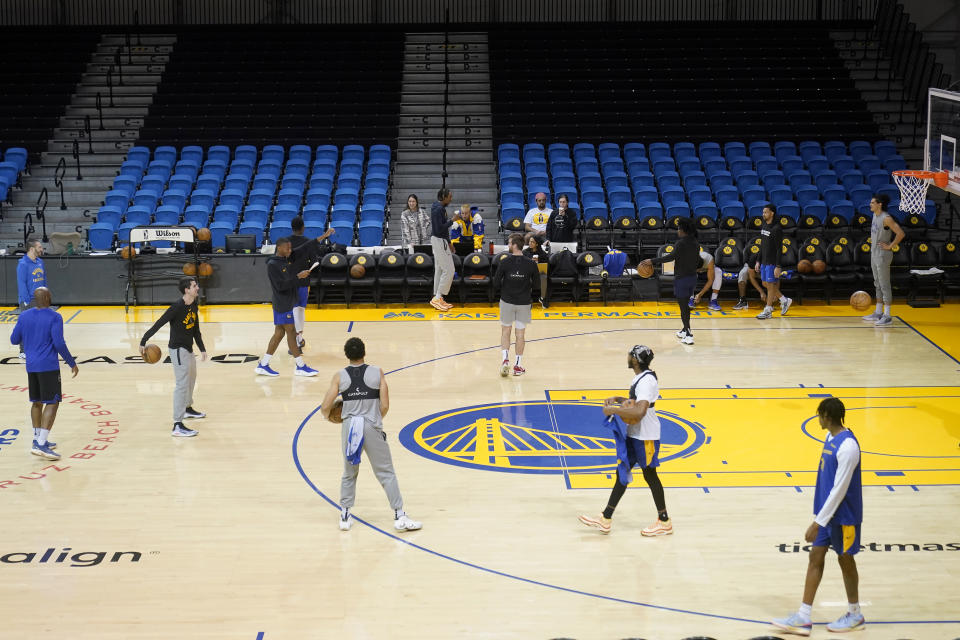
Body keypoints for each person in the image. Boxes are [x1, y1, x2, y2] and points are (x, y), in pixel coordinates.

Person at [772, 398, 865, 635]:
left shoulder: (849, 447)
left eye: (819, 415)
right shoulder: (830, 438)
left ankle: (855, 613)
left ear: (827, 416)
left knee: (845, 560)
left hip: (844, 516)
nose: (817, 419)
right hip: (827, 514)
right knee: (815, 556)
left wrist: (817, 522)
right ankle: (803, 616)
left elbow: (840, 490)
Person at [320, 337, 422, 533]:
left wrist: (331, 417)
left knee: (349, 472)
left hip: (350, 427)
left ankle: (345, 515)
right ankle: (399, 515)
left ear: (346, 355)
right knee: (385, 472)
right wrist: (375, 420)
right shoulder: (377, 373)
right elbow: (384, 405)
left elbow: (325, 406)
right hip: (371, 424)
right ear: (364, 353)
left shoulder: (339, 376)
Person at [579, 345, 672, 537]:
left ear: (636, 360)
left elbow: (639, 411)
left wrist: (614, 410)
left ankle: (664, 521)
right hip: (636, 434)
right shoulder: (641, 377)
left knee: (650, 476)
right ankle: (606, 518)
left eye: (630, 354)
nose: (628, 357)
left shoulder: (646, 382)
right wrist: (619, 399)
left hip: (646, 437)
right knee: (622, 471)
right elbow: (635, 403)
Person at [9, 287, 78, 460]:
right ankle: (41, 444)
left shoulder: (24, 316)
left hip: (31, 366)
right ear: (47, 297)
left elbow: (14, 340)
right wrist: (71, 362)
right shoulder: (55, 317)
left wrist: (30, 333)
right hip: (48, 366)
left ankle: (36, 438)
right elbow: (59, 343)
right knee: (53, 402)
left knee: (36, 402)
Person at [139, 276, 208, 437]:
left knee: (191, 379)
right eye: (194, 286)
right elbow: (159, 323)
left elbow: (195, 329)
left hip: (189, 349)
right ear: (187, 290)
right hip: (178, 350)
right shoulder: (176, 307)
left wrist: (202, 348)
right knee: (181, 385)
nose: (197, 288)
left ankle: (187, 408)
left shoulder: (194, 305)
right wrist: (143, 340)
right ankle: (177, 424)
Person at [255, 237, 318, 377]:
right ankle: (300, 366)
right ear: (279, 248)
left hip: (286, 301)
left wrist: (322, 237)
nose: (290, 250)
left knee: (279, 334)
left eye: (290, 248)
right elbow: (280, 286)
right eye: (287, 248)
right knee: (291, 332)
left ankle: (263, 364)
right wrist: (299, 277)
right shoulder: (272, 264)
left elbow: (303, 248)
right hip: (282, 302)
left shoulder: (284, 260)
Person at [639, 218, 699, 345]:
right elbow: (698, 261)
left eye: (678, 229)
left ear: (683, 230)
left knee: (684, 307)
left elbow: (670, 257)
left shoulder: (681, 243)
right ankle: (684, 329)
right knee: (685, 305)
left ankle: (688, 334)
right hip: (693, 278)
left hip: (682, 278)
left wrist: (652, 261)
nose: (677, 231)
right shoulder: (696, 243)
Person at [494, 233, 539, 376]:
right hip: (524, 303)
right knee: (520, 335)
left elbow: (495, 283)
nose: (508, 245)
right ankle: (518, 366)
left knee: (505, 331)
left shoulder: (504, 262)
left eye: (509, 243)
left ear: (514, 245)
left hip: (507, 301)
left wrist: (506, 288)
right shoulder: (531, 263)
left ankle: (505, 361)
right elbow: (537, 286)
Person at [288, 216, 334, 349]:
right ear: (303, 228)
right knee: (300, 309)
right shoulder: (308, 242)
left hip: (289, 281)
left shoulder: (285, 242)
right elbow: (315, 261)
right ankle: (299, 338)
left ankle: (296, 338)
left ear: (292, 228)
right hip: (303, 280)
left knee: (293, 309)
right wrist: (310, 269)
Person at [862, 193, 904, 327]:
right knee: (877, 283)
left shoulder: (886, 218)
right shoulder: (875, 215)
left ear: (880, 204)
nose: (870, 204)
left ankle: (887, 315)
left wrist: (890, 246)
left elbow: (901, 233)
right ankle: (878, 312)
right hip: (874, 253)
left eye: (872, 202)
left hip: (882, 254)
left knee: (884, 284)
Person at [755, 204, 793, 320]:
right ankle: (784, 300)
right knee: (765, 283)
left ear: (772, 213)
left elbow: (779, 249)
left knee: (770, 285)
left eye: (765, 212)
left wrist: (778, 266)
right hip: (764, 260)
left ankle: (768, 309)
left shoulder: (777, 229)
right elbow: (762, 245)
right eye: (763, 212)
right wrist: (758, 260)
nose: (763, 215)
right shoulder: (765, 225)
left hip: (772, 262)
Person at [16, 237, 46, 359]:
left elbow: (44, 280)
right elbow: (21, 283)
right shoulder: (23, 264)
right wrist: (26, 301)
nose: (41, 249)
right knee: (26, 326)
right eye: (39, 247)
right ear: (32, 249)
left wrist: (45, 294)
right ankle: (23, 351)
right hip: (29, 300)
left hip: (40, 299)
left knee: (41, 326)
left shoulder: (40, 262)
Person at [430, 188, 455, 311]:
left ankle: (438, 297)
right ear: (444, 197)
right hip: (438, 240)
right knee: (449, 269)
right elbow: (440, 229)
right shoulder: (437, 210)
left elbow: (443, 229)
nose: (451, 199)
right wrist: (452, 221)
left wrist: (449, 242)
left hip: (441, 241)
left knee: (440, 269)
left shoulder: (439, 208)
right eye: (449, 196)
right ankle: (437, 297)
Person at [689, 247, 722, 312]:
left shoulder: (709, 259)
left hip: (707, 271)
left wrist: (700, 294)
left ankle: (713, 300)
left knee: (718, 271)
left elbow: (711, 280)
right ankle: (690, 299)